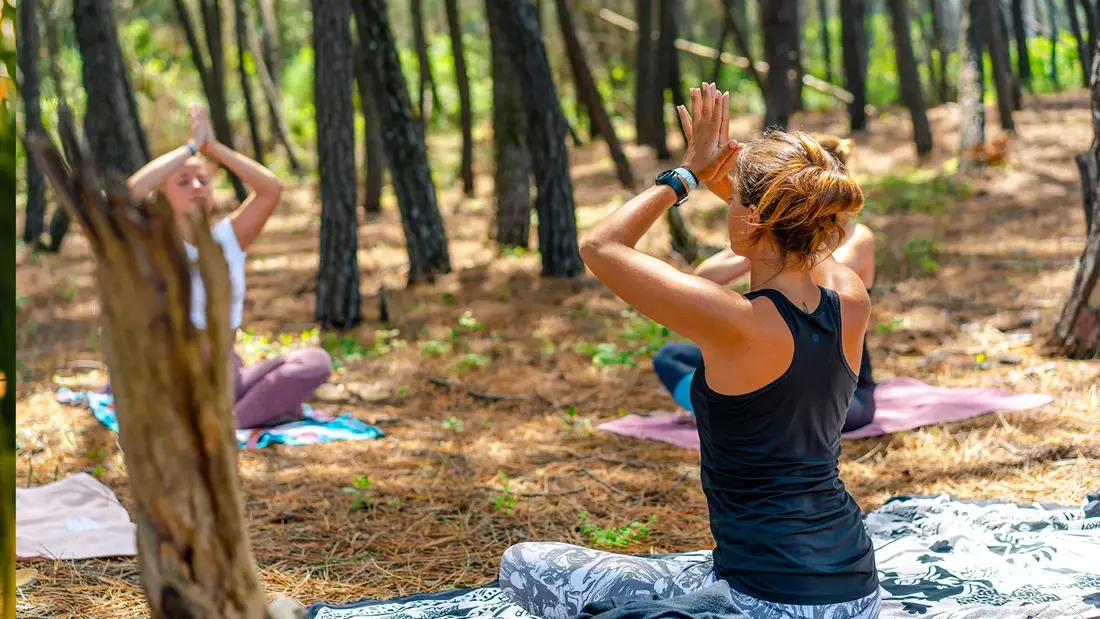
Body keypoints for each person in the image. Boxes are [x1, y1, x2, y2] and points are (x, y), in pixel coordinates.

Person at [499, 84, 881, 619]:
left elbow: (600, 246)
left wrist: (687, 176)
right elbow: (794, 238)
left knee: (523, 563)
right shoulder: (850, 300)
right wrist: (739, 185)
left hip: (768, 603)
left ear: (752, 218)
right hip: (856, 593)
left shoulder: (736, 320)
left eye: (738, 201)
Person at [102, 103, 332, 429]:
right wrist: (191, 147)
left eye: (203, 181)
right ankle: (252, 415)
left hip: (227, 375)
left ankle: (229, 423)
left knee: (315, 361)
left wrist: (214, 148)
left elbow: (271, 189)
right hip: (175, 379)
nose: (197, 187)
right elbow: (127, 194)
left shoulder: (228, 239)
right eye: (183, 182)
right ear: (163, 196)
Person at [653, 135, 878, 432]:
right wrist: (758, 236)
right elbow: (704, 277)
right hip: (771, 365)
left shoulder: (858, 240)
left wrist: (767, 238)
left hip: (840, 391)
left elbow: (819, 279)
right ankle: (720, 412)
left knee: (786, 408)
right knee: (671, 357)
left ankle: (726, 414)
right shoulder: (767, 240)